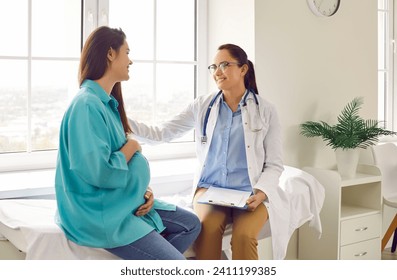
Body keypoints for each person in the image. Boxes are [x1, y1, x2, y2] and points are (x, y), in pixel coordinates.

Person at [129, 44, 288, 260]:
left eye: (225, 65)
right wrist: (121, 119)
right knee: (207, 230)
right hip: (210, 190)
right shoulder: (203, 106)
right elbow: (162, 133)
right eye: (214, 66)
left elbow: (274, 164)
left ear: (243, 69)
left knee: (243, 237)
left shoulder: (266, 111)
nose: (217, 72)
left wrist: (261, 192)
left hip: (250, 192)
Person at [54, 26, 200, 260]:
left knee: (191, 224)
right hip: (101, 214)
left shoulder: (107, 104)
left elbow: (115, 162)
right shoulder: (87, 106)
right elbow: (100, 172)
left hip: (122, 200)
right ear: (111, 54)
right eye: (127, 52)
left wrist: (142, 191)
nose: (130, 61)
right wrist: (132, 146)